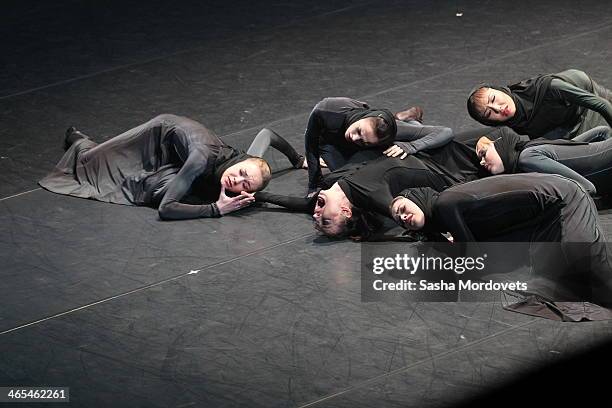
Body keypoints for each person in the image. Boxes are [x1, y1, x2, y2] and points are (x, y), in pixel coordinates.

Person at [390, 173, 612, 321]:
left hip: (565, 201)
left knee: (591, 273)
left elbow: (475, 262)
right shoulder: (445, 210)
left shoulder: (445, 204)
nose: (403, 217)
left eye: (401, 208)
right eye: (398, 219)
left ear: (416, 198)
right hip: (546, 215)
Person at [40, 114, 305, 220]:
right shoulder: (202, 159)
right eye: (241, 175)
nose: (238, 181)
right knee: (95, 164)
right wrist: (216, 209)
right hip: (161, 134)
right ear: (241, 162)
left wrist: (297, 161)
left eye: (246, 184)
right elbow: (166, 208)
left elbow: (268, 135)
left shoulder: (249, 164)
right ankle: (78, 140)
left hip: (182, 155)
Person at [258, 136, 487, 237]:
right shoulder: (371, 196)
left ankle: (410, 121)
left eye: (318, 221)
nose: (316, 215)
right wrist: (444, 235)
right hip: (443, 168)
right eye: (324, 220)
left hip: (407, 150)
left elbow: (298, 204)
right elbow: (405, 216)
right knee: (491, 154)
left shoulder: (329, 194)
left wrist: (257, 195)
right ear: (346, 211)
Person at [304, 97, 455, 192]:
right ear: (363, 119)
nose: (354, 137)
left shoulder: (388, 133)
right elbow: (311, 143)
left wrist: (412, 147)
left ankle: (407, 121)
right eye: (358, 131)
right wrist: (314, 182)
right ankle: (403, 118)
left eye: (363, 140)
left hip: (379, 139)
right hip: (330, 142)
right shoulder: (327, 109)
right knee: (342, 179)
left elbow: (445, 132)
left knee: (357, 178)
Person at [467, 69, 612, 140]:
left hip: (581, 91)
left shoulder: (548, 89)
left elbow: (602, 105)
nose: (498, 108)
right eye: (489, 113)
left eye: (493, 99)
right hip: (562, 121)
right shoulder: (514, 120)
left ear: (499, 90)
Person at [475, 125, 612, 196]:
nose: (482, 162)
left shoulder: (527, 157)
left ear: (500, 143)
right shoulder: (534, 149)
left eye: (483, 153)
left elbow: (587, 188)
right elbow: (602, 131)